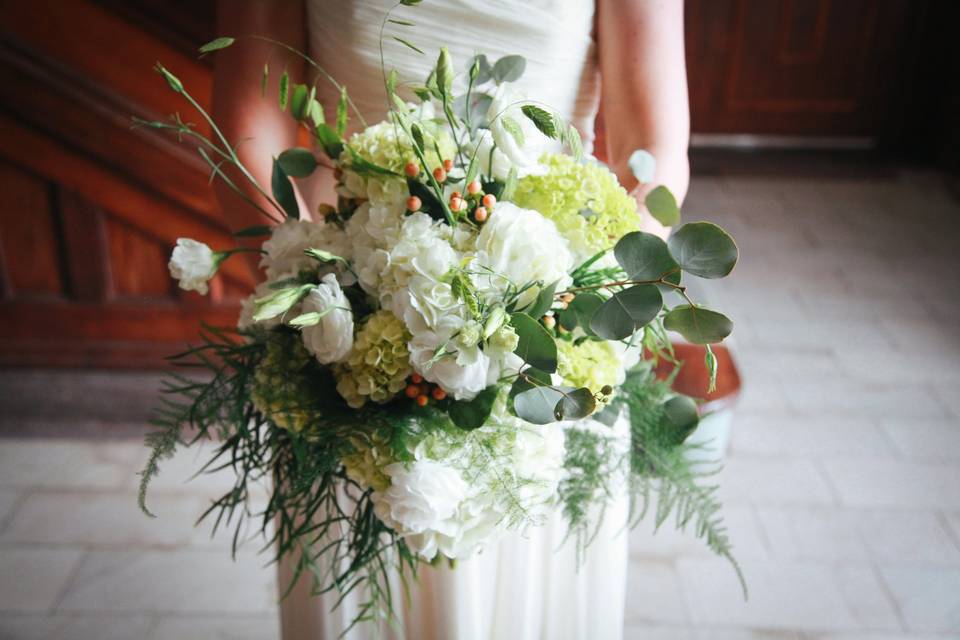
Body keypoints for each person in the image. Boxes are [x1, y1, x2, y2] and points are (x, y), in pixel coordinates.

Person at [212, 2, 690, 638]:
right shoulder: (338, 329)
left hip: (549, 353)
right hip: (347, 342)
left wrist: (580, 308)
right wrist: (321, 299)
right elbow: (252, 121)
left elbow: (651, 147)